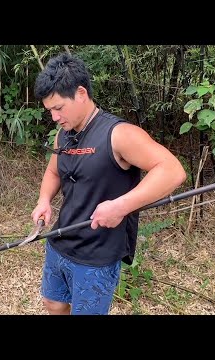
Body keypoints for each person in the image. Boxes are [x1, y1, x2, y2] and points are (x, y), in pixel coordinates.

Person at [31, 53, 187, 315]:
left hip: (97, 254)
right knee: (53, 303)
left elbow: (172, 170)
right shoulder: (63, 135)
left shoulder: (119, 134)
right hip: (61, 239)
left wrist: (122, 206)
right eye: (50, 111)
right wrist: (44, 200)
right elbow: (53, 172)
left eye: (58, 108)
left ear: (81, 93)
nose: (54, 117)